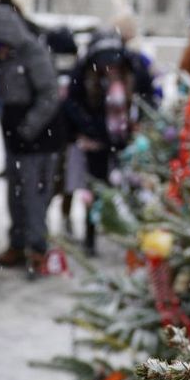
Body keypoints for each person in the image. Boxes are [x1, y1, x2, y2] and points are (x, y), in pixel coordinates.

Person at [0, 3, 60, 276]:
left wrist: (28, 127)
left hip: (39, 138)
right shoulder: (1, 60)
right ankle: (17, 243)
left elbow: (49, 94)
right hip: (15, 135)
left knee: (34, 196)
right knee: (15, 193)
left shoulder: (33, 53)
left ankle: (37, 249)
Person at [63, 31, 137, 255]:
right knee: (93, 190)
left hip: (124, 142)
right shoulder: (84, 77)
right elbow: (72, 105)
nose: (110, 68)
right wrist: (91, 129)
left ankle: (131, 235)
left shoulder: (130, 75)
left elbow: (145, 99)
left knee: (128, 187)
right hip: (94, 143)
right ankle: (90, 237)